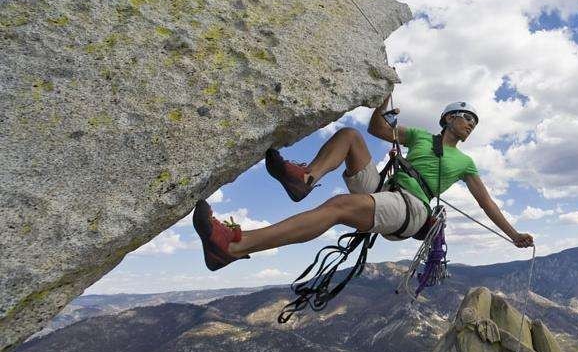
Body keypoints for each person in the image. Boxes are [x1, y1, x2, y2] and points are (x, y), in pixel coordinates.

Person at [193, 95, 534, 270]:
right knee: (351, 136)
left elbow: (486, 203)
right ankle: (306, 179)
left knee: (338, 207)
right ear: (447, 119)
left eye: (475, 121)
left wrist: (514, 234)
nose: (471, 124)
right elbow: (376, 130)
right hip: (387, 192)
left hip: (411, 208)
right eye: (466, 117)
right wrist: (383, 101)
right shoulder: (418, 136)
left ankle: (235, 246)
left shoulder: (465, 162)